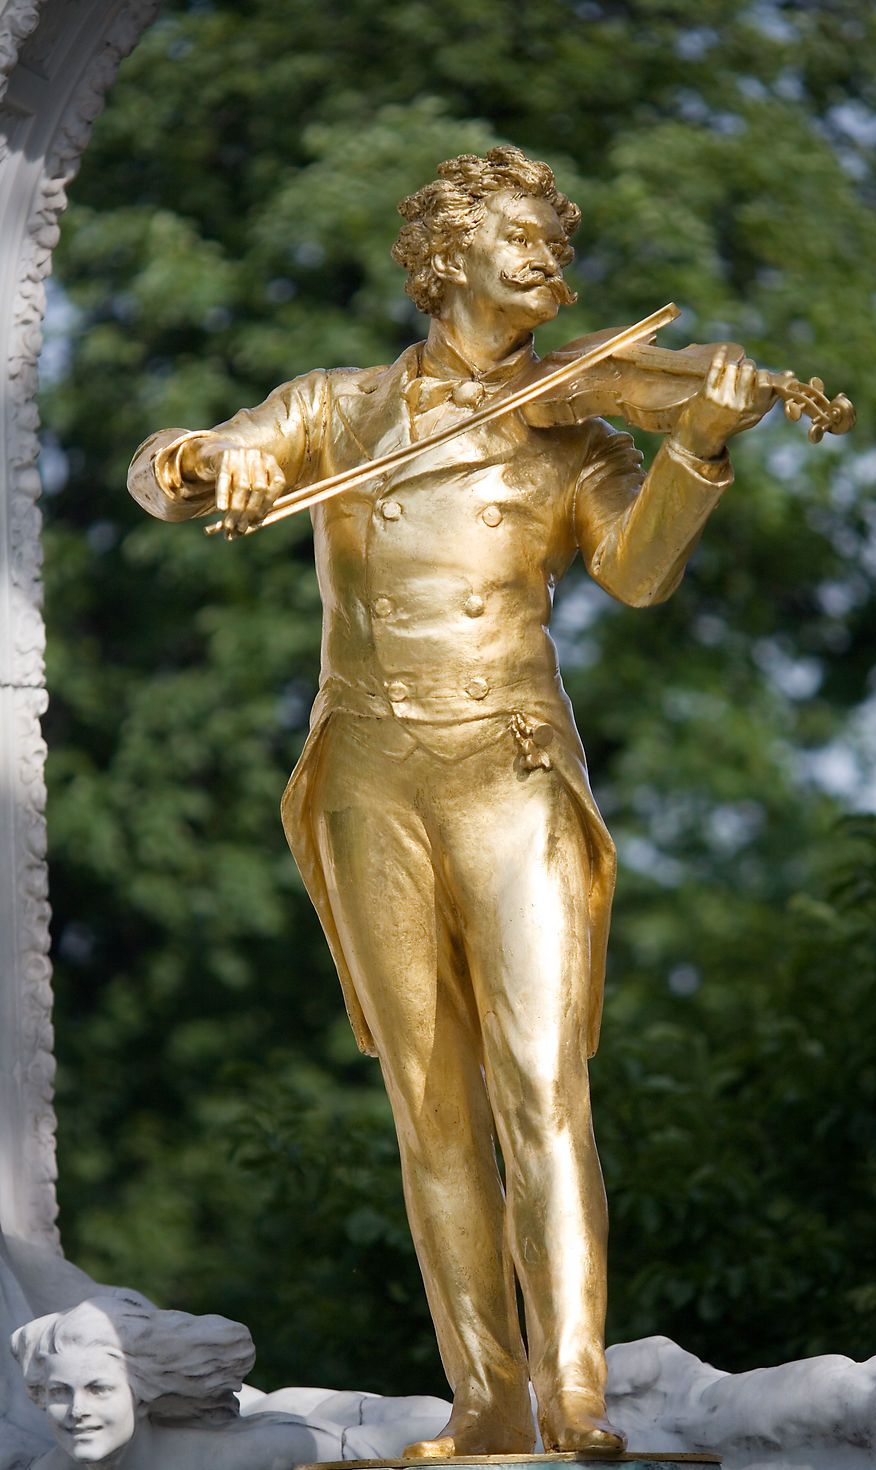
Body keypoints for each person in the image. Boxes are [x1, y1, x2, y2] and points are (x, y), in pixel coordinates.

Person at [127, 144, 776, 1458]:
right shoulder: (337, 407)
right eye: (522, 236)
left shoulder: (574, 424)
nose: (552, 259)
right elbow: (166, 470)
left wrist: (696, 444)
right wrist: (206, 458)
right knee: (430, 1100)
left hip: (513, 762)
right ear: (448, 256)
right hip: (370, 767)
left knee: (541, 1084)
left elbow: (640, 577)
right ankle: (487, 1398)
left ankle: (576, 1400)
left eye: (556, 239)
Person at [10, 1293, 338, 1470]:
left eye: (99, 1389)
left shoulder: (263, 1453)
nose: (77, 1410)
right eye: (59, 1393)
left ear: (141, 1395)